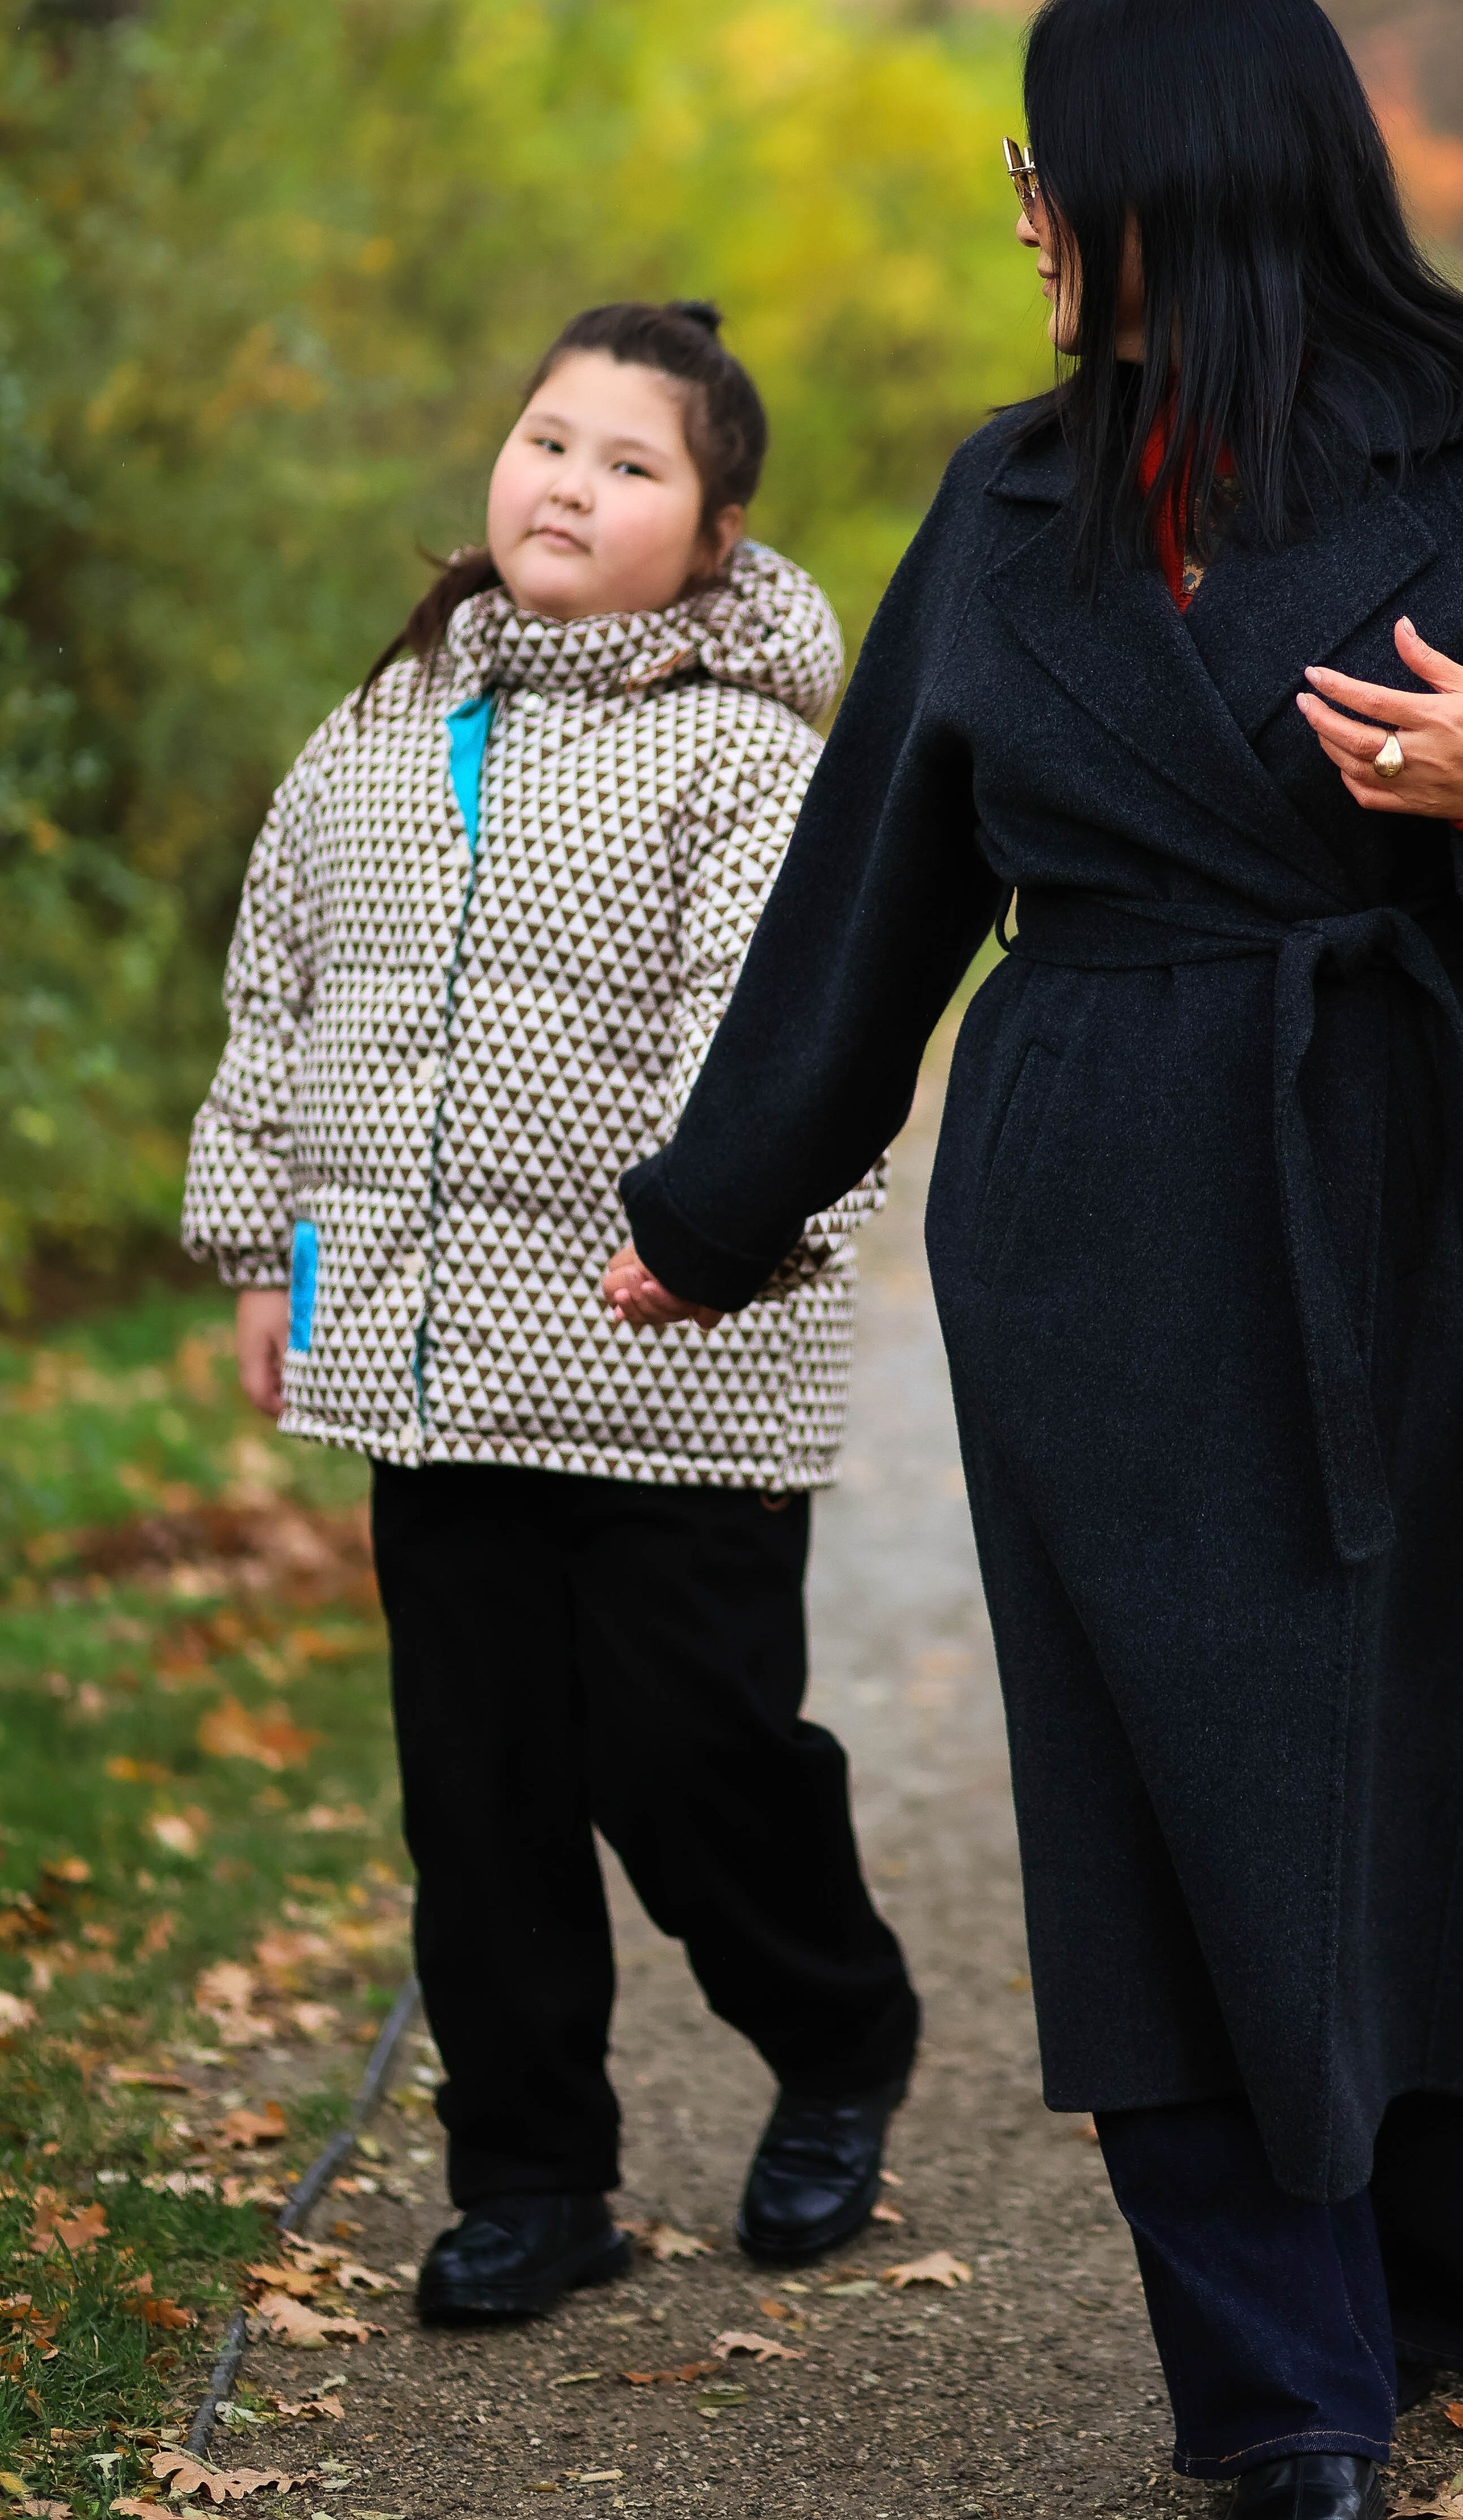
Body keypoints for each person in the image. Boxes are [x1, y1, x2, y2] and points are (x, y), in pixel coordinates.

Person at [602, 0, 1463, 2518]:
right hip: (1102, 1214)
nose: (1024, 219)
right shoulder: (1012, 502)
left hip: (1406, 1180)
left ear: (1150, 183)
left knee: (1420, 1754)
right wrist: (712, 1203)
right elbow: (870, 885)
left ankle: (1429, 2293)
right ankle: (1280, 2397)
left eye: (1042, 169)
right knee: (1171, 1787)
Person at [182, 300, 918, 2327]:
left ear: (714, 527)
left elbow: (793, 1043)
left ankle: (838, 2025)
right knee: (480, 1788)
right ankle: (530, 2174)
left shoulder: (743, 759)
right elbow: (284, 1002)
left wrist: (718, 1232)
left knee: (689, 1765)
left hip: (667, 1359)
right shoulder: (376, 729)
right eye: (546, 440)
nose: (571, 485)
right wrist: (264, 1251)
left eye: (631, 462)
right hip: (428, 1365)